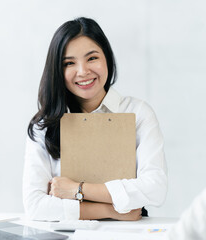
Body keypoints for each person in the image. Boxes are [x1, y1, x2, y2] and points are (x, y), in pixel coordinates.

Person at [22, 17, 167, 221]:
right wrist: (108, 210)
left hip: (127, 234)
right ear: (58, 70)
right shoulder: (45, 126)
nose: (83, 72)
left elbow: (155, 189)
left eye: (92, 58)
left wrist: (76, 190)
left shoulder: (138, 113)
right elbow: (34, 205)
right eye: (69, 63)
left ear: (107, 58)